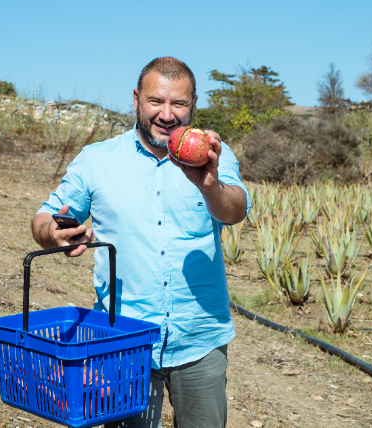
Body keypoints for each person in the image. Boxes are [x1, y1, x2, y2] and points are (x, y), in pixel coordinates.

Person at [31, 57, 250, 428]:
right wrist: (53, 233)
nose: (167, 115)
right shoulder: (97, 160)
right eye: (155, 102)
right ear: (136, 99)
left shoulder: (213, 154)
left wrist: (208, 184)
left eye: (178, 104)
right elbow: (44, 217)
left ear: (193, 104)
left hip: (200, 336)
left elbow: (235, 210)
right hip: (123, 340)